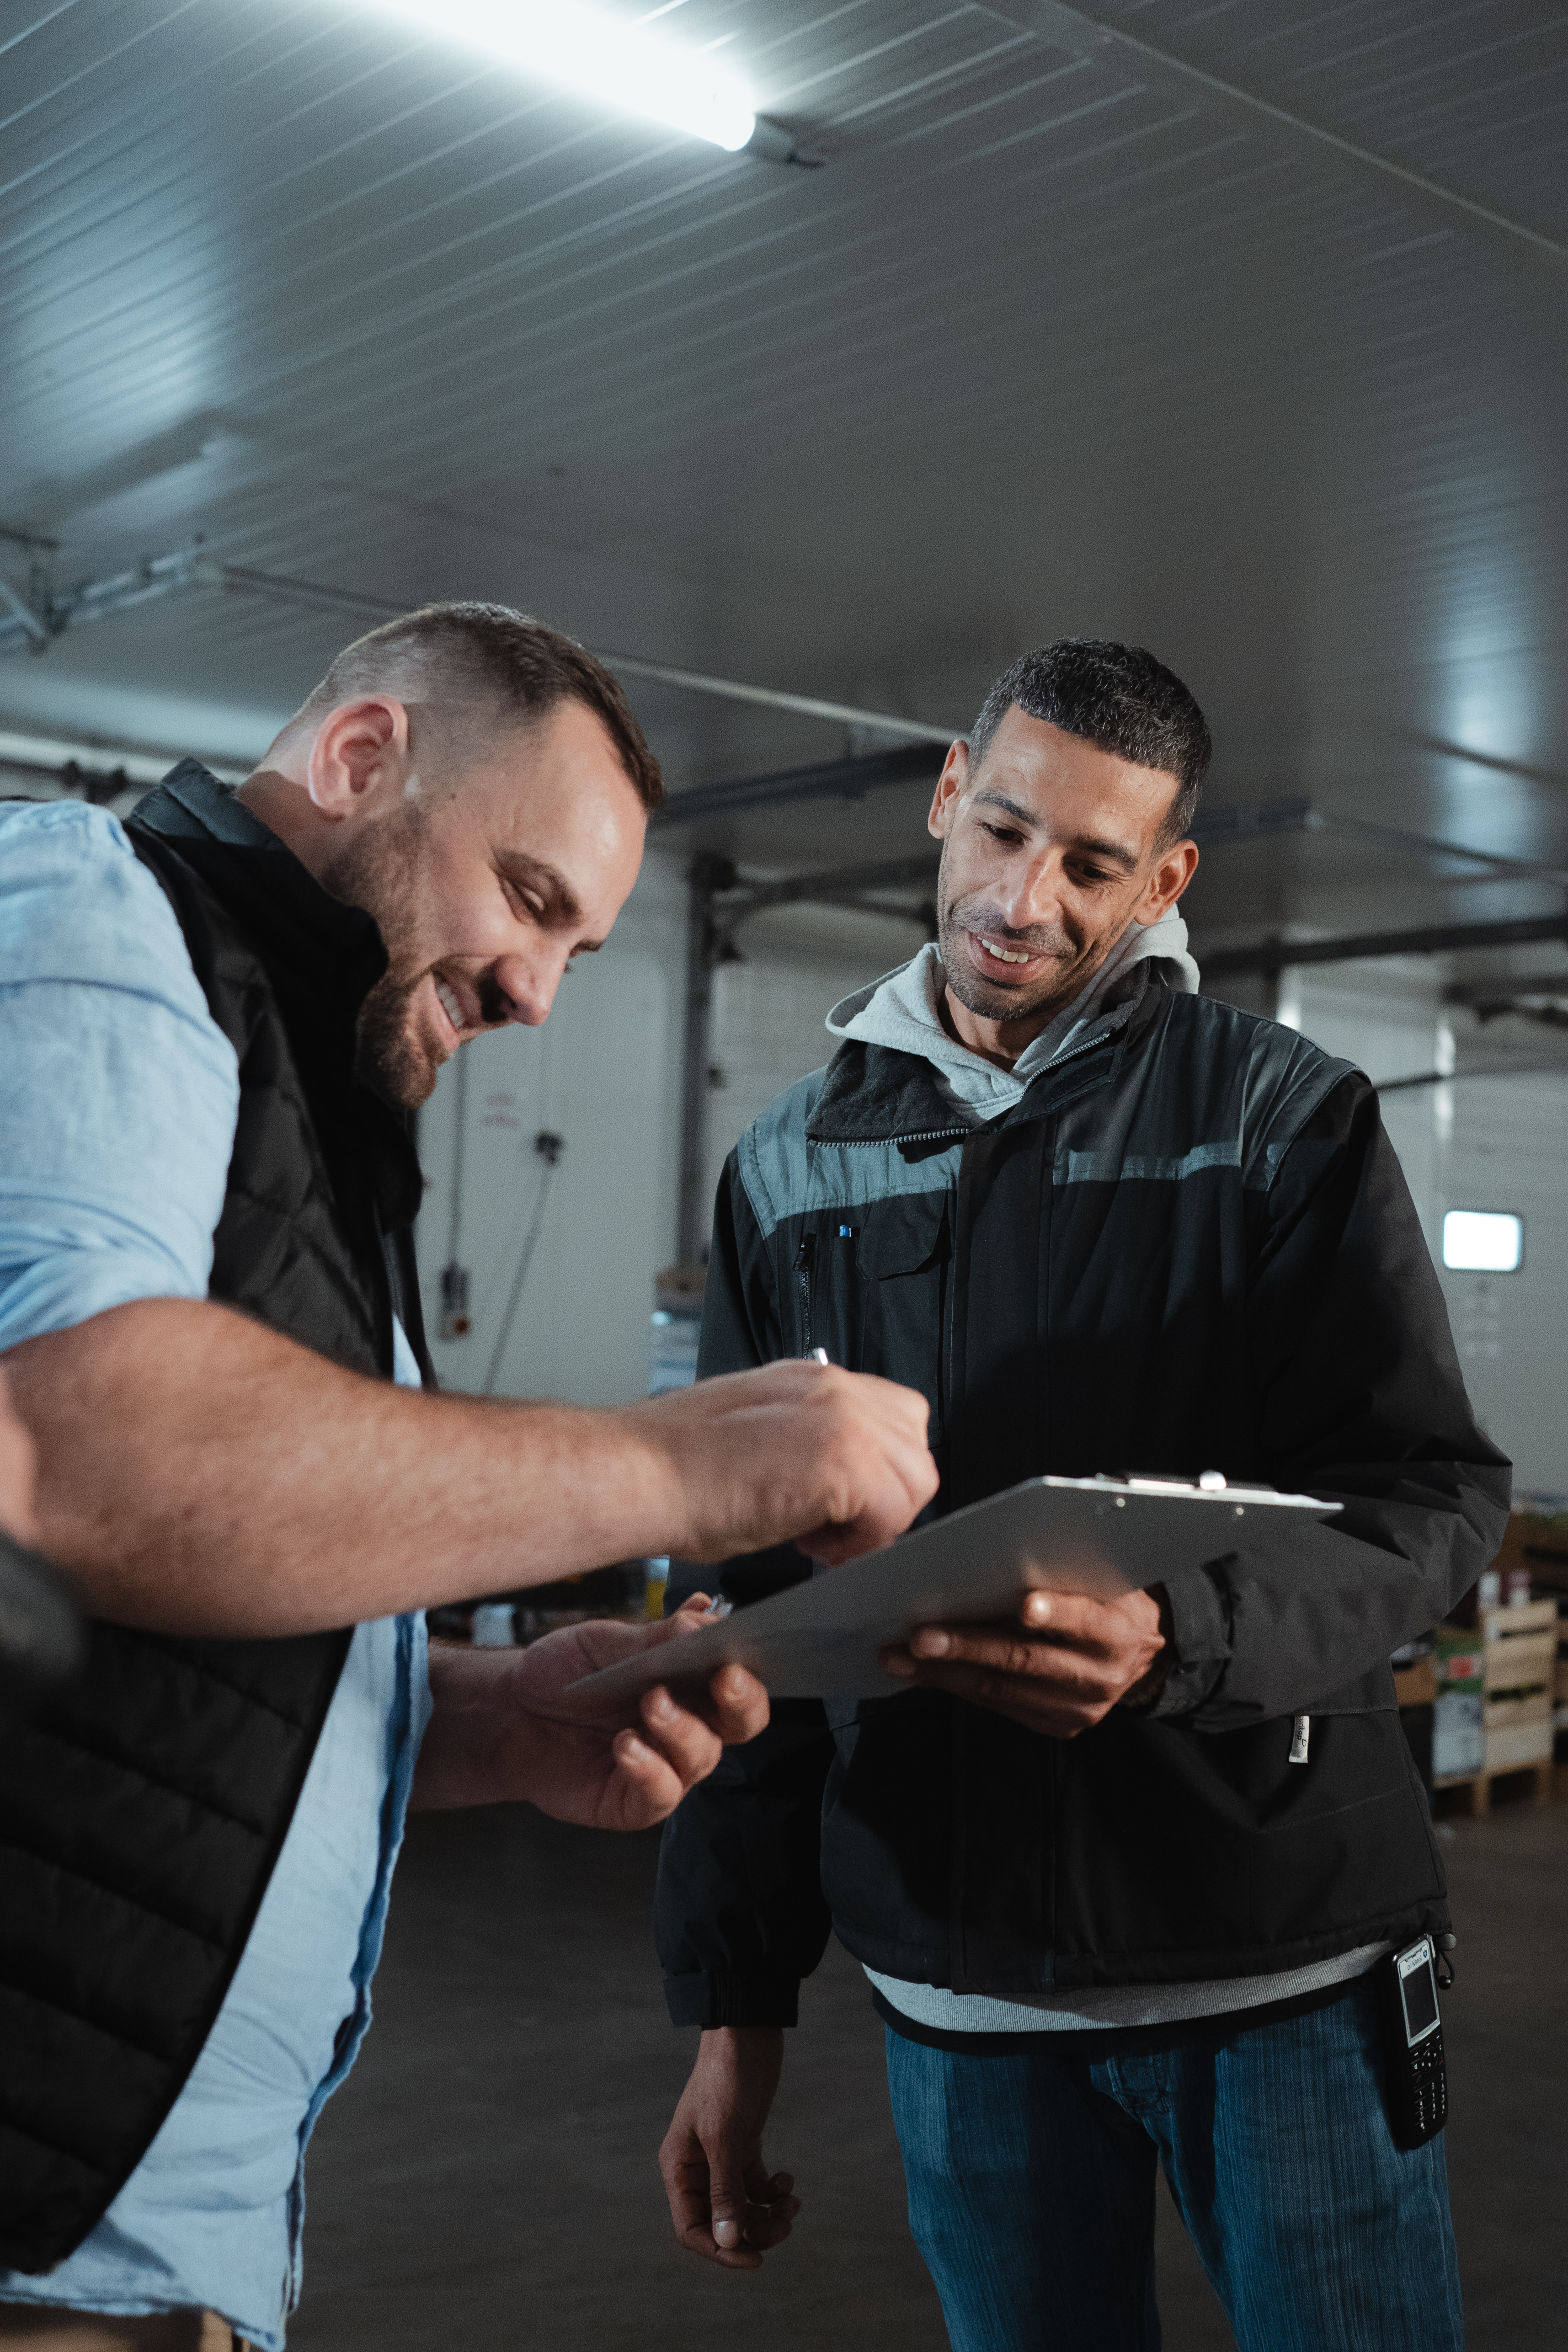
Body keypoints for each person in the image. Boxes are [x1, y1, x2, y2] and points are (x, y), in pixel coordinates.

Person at [0, 603, 937, 2352]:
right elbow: (71, 1447)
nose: (533, 992)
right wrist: (684, 1458)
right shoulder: (95, 904)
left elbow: (189, 1605)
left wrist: (494, 1717)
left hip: (172, 2247)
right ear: (364, 758)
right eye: (527, 897)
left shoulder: (311, 1112)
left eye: (579, 947)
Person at [653, 638, 1508, 2351]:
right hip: (959, 1989)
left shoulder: (1283, 1121)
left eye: (1093, 865)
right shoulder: (790, 1167)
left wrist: (1183, 1635)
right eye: (1003, 829)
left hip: (1280, 1966)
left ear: (1166, 882)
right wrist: (734, 2009)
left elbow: (1429, 1498)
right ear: (946, 794)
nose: (1022, 899)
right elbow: (754, 1599)